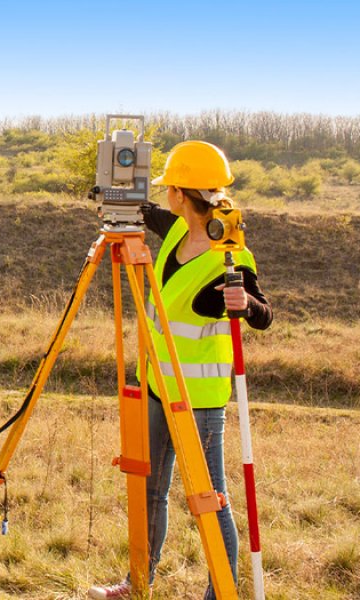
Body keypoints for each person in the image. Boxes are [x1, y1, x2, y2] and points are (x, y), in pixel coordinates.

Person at [88, 141, 273, 600]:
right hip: (156, 388)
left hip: (200, 404)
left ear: (179, 193)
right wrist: (115, 195)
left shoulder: (229, 255)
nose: (164, 197)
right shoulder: (175, 231)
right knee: (150, 490)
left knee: (210, 504)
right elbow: (149, 214)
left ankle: (222, 593)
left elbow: (265, 314)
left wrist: (245, 304)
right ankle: (139, 581)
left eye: (167, 188)